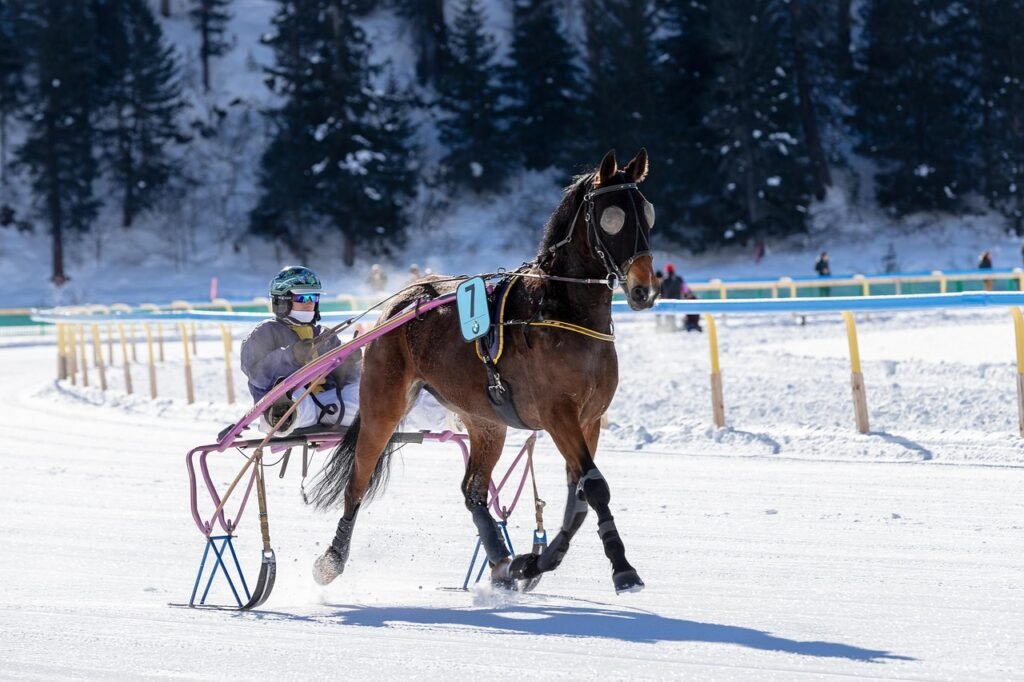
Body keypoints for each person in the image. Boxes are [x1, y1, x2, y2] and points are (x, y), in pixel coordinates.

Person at [241, 266, 360, 435]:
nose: (310, 302)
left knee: (361, 390)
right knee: (291, 391)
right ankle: (282, 416)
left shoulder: (325, 334)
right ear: (283, 301)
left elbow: (347, 379)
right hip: (291, 404)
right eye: (302, 297)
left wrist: (351, 362)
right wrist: (291, 356)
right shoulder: (264, 332)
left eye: (314, 297)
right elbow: (257, 376)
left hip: (328, 405)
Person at [658, 263, 684, 332]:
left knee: (668, 315)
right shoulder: (679, 278)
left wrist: (661, 298)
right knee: (672, 315)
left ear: (666, 270)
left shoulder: (664, 280)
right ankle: (672, 327)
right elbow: (684, 289)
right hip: (677, 300)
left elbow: (661, 292)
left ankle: (669, 327)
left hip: (667, 300)